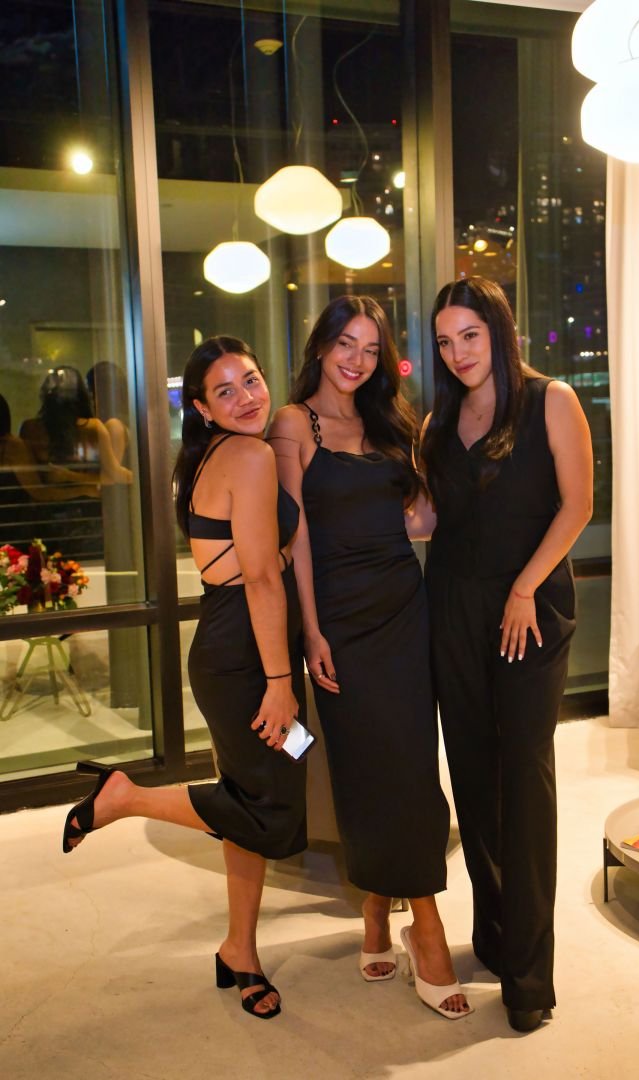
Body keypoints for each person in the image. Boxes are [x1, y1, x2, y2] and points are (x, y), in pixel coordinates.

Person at [61, 336, 306, 1021]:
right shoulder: (249, 456)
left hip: (234, 644)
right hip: (247, 657)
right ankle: (124, 797)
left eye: (251, 380)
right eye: (225, 391)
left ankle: (239, 950)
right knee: (275, 809)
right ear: (200, 407)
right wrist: (280, 681)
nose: (247, 397)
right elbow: (260, 575)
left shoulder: (218, 457)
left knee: (262, 793)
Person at [268, 296, 471, 1020]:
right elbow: (294, 539)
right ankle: (388, 913)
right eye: (344, 345)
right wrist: (312, 633)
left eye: (369, 348)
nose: (356, 360)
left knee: (413, 765)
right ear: (321, 347)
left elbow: (419, 519)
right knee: (362, 769)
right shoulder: (295, 423)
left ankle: (416, 918)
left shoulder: (390, 423)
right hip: (340, 623)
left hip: (401, 606)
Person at [419, 276, 593, 1033]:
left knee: (523, 783)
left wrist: (525, 587)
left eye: (470, 336)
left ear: (498, 329)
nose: (458, 353)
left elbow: (578, 504)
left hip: (529, 608)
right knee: (475, 779)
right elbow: (432, 517)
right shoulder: (437, 418)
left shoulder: (551, 399)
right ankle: (492, 937)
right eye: (445, 341)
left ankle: (529, 977)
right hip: (452, 607)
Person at [21, 365, 132, 489]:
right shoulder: (93, 426)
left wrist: (68, 476)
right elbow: (113, 476)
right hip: (85, 501)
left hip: (49, 503)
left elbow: (113, 476)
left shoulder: (30, 427)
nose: (91, 396)